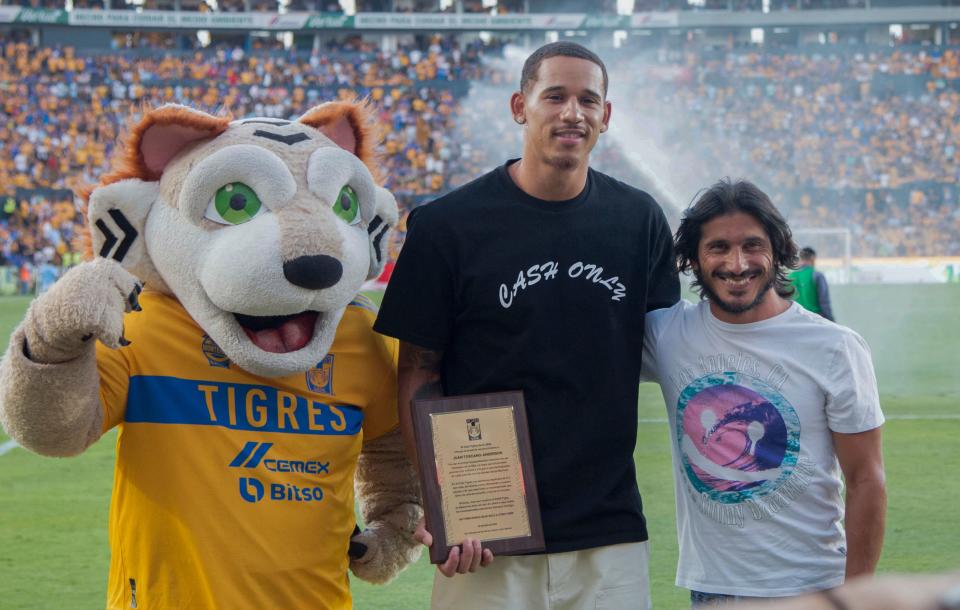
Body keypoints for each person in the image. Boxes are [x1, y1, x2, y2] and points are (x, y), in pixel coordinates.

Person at [373, 41, 680, 610]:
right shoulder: (446, 227)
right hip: (485, 535)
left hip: (608, 534)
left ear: (606, 116)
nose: (573, 113)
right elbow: (417, 371)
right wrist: (444, 504)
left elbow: (678, 346)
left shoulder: (639, 221)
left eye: (589, 100)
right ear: (521, 106)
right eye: (555, 96)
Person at [640, 179, 886, 606]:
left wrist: (856, 597)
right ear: (693, 260)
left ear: (778, 249)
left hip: (813, 589)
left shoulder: (835, 347)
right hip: (713, 591)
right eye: (718, 247)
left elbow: (866, 479)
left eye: (753, 245)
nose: (737, 265)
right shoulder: (667, 334)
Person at [788, 246, 834, 321]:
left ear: (800, 258)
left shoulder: (789, 277)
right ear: (813, 259)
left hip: (794, 320)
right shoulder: (817, 275)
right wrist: (831, 320)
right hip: (815, 320)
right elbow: (824, 302)